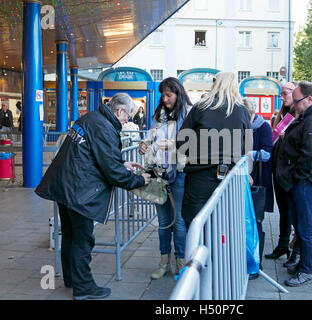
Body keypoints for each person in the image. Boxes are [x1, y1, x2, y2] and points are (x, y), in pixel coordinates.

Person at [35, 93, 151, 300]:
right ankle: (84, 287)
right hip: (79, 190)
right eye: (128, 116)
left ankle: (72, 278)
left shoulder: (91, 118)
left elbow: (94, 155)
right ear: (119, 111)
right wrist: (139, 180)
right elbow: (111, 171)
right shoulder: (104, 127)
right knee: (82, 238)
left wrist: (123, 164)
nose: (128, 121)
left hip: (66, 185)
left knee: (70, 235)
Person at [275, 81, 312, 287]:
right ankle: (304, 265)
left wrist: (294, 178)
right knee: (301, 227)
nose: (294, 105)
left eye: (297, 101)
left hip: (307, 181)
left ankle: (308, 269)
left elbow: (309, 155)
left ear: (310, 99)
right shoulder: (309, 116)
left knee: (307, 228)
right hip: (302, 180)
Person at [176, 71, 252, 227]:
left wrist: (198, 152)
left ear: (215, 84)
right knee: (226, 226)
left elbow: (181, 142)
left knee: (196, 224)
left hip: (199, 176)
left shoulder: (200, 107)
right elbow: (248, 147)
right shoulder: (242, 111)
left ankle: (199, 251)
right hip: (230, 177)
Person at [139, 77, 192, 280]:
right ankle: (163, 262)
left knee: (178, 221)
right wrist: (144, 145)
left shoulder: (188, 113)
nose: (165, 99)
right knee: (163, 221)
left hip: (179, 174)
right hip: (158, 173)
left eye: (169, 95)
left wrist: (175, 145)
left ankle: (180, 261)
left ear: (178, 94)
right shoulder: (158, 115)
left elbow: (193, 144)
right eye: (163, 95)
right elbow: (150, 138)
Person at [265, 81, 300, 270]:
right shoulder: (280, 116)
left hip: (290, 172)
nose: (283, 96)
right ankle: (282, 244)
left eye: (286, 92)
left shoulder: (299, 117)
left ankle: (296, 251)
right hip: (278, 170)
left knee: (295, 213)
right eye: (281, 93)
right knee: (284, 211)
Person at [243, 98, 273, 280]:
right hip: (244, 178)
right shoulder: (240, 126)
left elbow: (267, 153)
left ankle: (256, 262)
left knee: (256, 221)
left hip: (258, 180)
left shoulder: (264, 127)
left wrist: (249, 154)